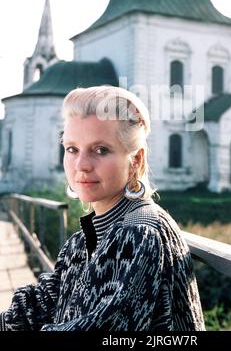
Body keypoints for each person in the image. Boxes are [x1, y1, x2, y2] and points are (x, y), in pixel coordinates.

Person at [0, 85, 205, 331]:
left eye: (101, 150)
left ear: (135, 159)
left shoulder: (138, 233)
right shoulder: (83, 239)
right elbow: (44, 302)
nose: (81, 165)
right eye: (72, 149)